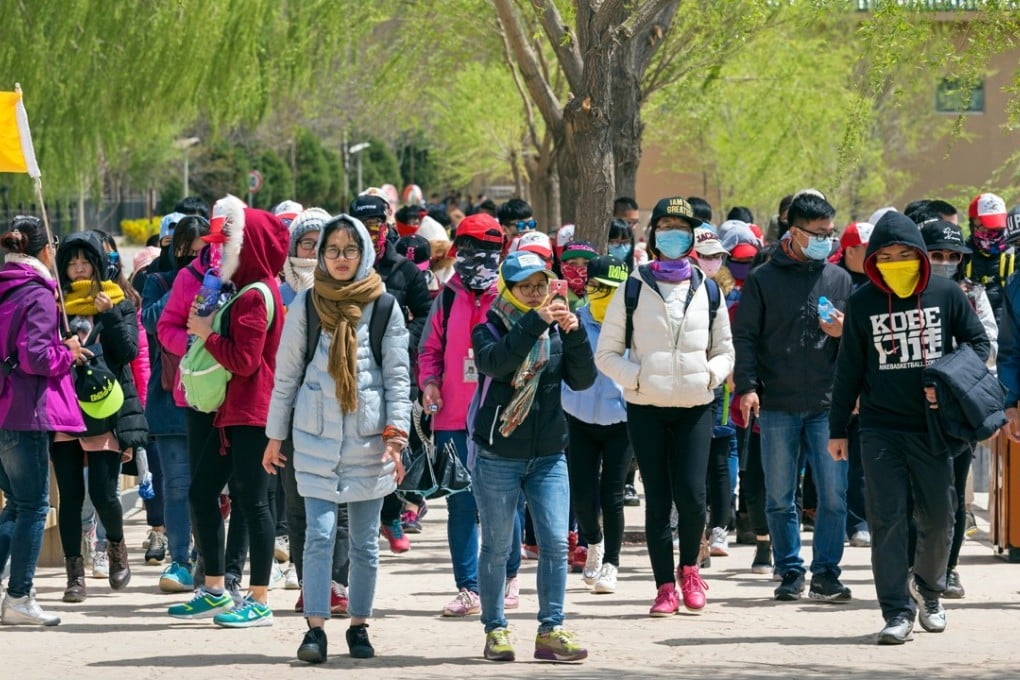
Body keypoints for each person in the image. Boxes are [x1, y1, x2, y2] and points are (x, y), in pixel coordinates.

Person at [828, 210, 989, 645]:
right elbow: (848, 369)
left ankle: (929, 590)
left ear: (919, 255)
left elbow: (979, 343)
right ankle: (896, 611)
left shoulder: (946, 294)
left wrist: (946, 380)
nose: (896, 261)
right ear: (873, 260)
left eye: (905, 254)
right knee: (888, 521)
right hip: (880, 428)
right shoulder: (861, 302)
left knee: (939, 519)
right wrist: (837, 428)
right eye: (886, 255)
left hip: (935, 430)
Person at [264, 213, 411, 663]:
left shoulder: (384, 306)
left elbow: (398, 377)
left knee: (366, 541)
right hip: (313, 435)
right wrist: (274, 436)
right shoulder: (307, 305)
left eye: (350, 249)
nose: (341, 258)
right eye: (332, 250)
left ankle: (360, 625)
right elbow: (286, 374)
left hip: (369, 439)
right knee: (319, 535)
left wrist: (397, 434)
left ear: (364, 251)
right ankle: (314, 630)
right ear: (320, 255)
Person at [596, 196, 734, 617]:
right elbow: (607, 354)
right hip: (647, 408)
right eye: (666, 226)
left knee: (693, 497)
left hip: (695, 406)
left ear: (692, 237)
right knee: (657, 498)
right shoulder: (632, 287)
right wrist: (639, 378)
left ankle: (689, 570)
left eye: (682, 227)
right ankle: (663, 588)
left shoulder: (708, 288)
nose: (674, 234)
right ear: (653, 235)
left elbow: (725, 350)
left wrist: (709, 376)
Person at [165, 195, 289, 628]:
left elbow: (246, 361)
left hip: (253, 413)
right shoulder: (244, 290)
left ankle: (258, 599)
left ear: (249, 246)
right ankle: (215, 589)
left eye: (228, 243)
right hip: (232, 412)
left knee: (253, 503)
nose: (220, 251)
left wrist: (204, 332)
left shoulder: (257, 295)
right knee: (202, 492)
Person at [472, 250, 596, 663]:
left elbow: (583, 381)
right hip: (498, 455)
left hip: (548, 456)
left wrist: (575, 334)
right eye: (525, 287)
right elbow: (497, 363)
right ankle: (495, 630)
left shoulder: (559, 330)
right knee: (495, 548)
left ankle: (551, 630)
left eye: (540, 286)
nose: (534, 294)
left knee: (556, 543)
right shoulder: (487, 326)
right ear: (509, 289)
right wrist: (535, 321)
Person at [733, 190, 853, 603]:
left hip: (828, 406)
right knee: (780, 497)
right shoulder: (763, 278)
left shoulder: (839, 279)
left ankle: (826, 574)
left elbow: (854, 346)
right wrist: (747, 387)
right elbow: (745, 336)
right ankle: (789, 572)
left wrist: (844, 333)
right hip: (778, 404)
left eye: (831, 233)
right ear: (794, 231)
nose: (826, 241)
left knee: (834, 496)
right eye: (819, 233)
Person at [418, 213, 508, 617]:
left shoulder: (512, 294)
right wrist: (430, 382)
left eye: (488, 250)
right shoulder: (448, 296)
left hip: (502, 416)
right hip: (452, 416)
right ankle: (468, 588)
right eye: (470, 249)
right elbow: (429, 349)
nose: (478, 258)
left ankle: (508, 578)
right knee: (460, 505)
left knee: (504, 504)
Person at [53, 231, 148, 602]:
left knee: (104, 492)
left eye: (85, 262)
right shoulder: (56, 304)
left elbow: (126, 352)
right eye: (72, 262)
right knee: (71, 496)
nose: (78, 268)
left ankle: (117, 548)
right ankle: (74, 573)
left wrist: (108, 315)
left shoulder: (118, 298)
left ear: (97, 264)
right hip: (64, 408)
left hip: (104, 408)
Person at [0, 217, 85, 626]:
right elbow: (38, 357)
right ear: (44, 250)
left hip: (3, 412)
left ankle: (13, 593)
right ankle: (18, 596)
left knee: (16, 504)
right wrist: (67, 350)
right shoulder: (36, 294)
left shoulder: (4, 287)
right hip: (26, 412)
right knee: (33, 506)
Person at [919, 218, 998, 600]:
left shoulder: (973, 294)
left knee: (954, 495)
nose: (946, 262)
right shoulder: (906, 294)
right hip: (911, 409)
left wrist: (952, 371)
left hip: (957, 409)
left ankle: (948, 569)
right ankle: (914, 569)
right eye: (937, 255)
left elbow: (989, 345)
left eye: (953, 256)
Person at [350, 194, 431, 554]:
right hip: (351, 372)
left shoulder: (405, 270)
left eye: (376, 226)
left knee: (397, 443)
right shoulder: (340, 266)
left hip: (397, 372)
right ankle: (361, 521)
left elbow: (427, 315)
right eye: (362, 227)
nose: (371, 234)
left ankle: (393, 513)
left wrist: (401, 339)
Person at [141, 215, 209, 593]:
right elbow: (150, 320)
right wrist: (184, 284)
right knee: (178, 485)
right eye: (193, 250)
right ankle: (180, 561)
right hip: (169, 398)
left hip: (209, 397)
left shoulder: (220, 280)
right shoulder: (158, 279)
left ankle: (206, 558)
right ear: (177, 246)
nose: (200, 257)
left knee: (209, 487)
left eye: (206, 251)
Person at [562, 255, 630, 594]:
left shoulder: (634, 326)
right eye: (596, 287)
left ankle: (612, 563)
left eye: (612, 290)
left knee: (613, 495)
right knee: (583, 495)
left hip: (622, 422)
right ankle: (594, 542)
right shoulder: (575, 320)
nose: (602, 295)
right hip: (579, 419)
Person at [963, 192, 1013, 325]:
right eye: (986, 227)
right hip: (975, 330)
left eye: (998, 227)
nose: (994, 232)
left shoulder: (1015, 253)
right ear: (972, 224)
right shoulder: (960, 256)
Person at [280, 208, 329, 307]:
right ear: (293, 250)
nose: (315, 250)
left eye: (322, 244)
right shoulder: (278, 297)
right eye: (307, 243)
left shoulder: (348, 293)